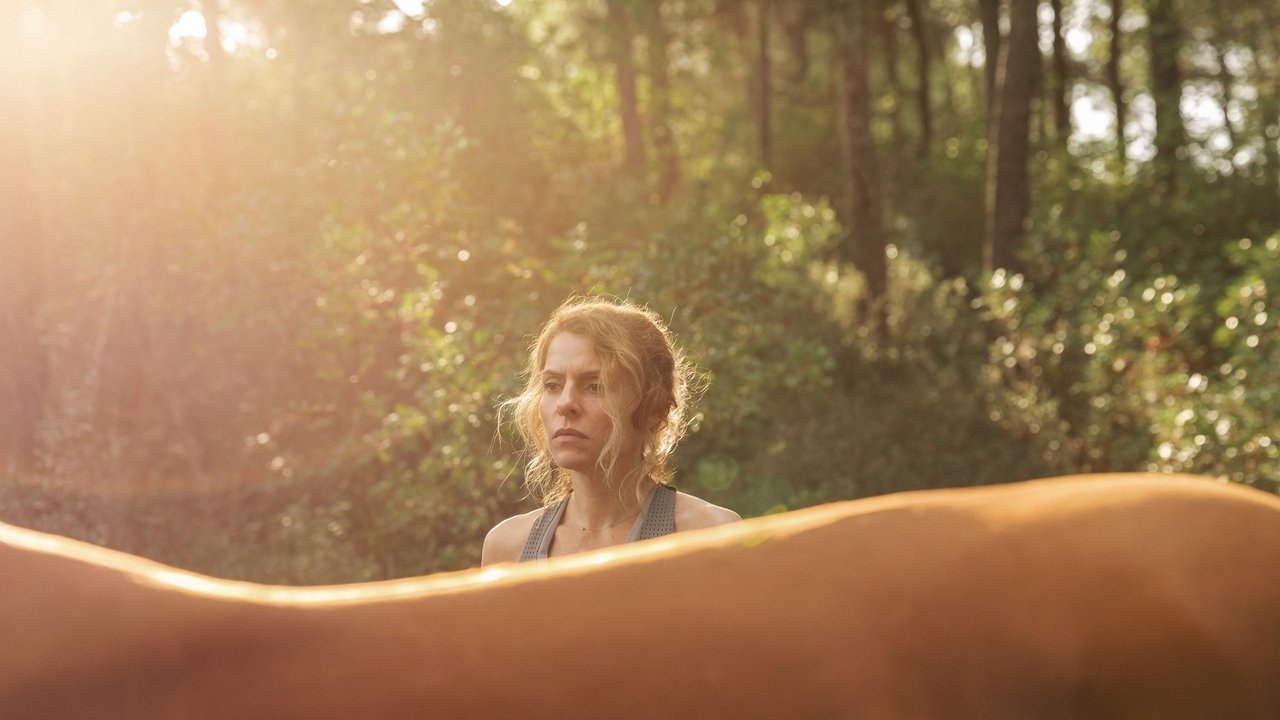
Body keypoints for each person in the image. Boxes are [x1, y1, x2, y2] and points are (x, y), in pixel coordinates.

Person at [482, 296, 741, 565]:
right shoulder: (507, 547)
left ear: (654, 408)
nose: (565, 403)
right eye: (552, 385)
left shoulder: (710, 536)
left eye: (595, 385)